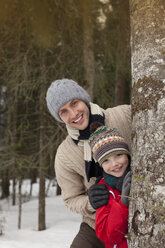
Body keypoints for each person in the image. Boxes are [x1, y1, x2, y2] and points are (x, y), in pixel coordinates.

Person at [46, 78, 131, 248]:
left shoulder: (124, 115)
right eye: (64, 111)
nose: (73, 114)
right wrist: (91, 202)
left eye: (74, 103)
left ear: (83, 99)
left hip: (139, 206)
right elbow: (71, 199)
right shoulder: (65, 154)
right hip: (99, 219)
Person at [88, 122, 131, 248]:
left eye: (118, 155)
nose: (114, 164)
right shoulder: (104, 191)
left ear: (127, 153)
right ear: (100, 165)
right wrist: (123, 204)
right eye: (105, 160)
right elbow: (107, 236)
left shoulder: (140, 175)